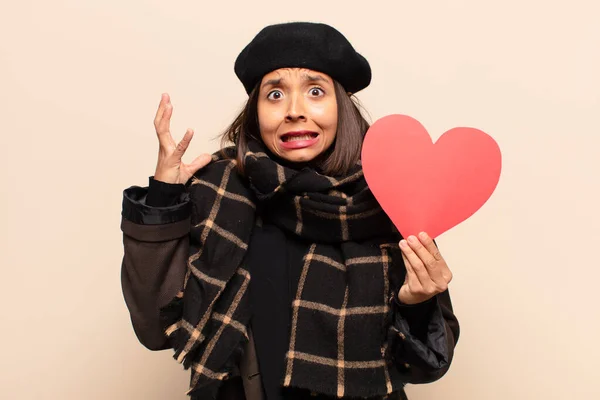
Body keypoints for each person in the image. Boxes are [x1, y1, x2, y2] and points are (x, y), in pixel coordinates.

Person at [120, 21, 460, 400]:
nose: (295, 111)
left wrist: (417, 305)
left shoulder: (388, 199)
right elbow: (154, 328)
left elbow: (427, 367)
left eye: (315, 91)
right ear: (256, 112)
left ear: (342, 106)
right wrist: (165, 197)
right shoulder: (216, 190)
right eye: (275, 94)